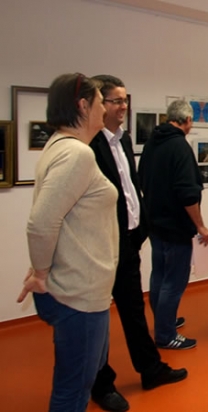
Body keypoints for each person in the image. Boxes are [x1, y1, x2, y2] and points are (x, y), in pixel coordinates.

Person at [17, 73, 118, 412]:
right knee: (73, 391)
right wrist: (40, 272)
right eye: (101, 102)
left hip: (78, 287)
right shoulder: (76, 154)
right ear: (83, 106)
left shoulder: (60, 147)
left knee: (76, 384)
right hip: (78, 292)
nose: (105, 108)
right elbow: (41, 223)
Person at [89, 75, 188, 412]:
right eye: (116, 101)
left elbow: (131, 186)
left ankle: (151, 369)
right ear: (99, 104)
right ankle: (101, 385)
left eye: (125, 100)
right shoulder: (90, 145)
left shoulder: (124, 139)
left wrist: (140, 226)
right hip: (102, 246)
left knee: (134, 312)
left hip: (128, 242)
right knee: (98, 321)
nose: (123, 107)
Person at [138, 99, 208, 350]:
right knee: (174, 282)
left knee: (159, 275)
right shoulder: (180, 147)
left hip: (154, 224)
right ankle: (166, 334)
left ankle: (164, 321)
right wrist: (200, 226)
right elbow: (188, 194)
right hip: (176, 228)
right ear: (187, 120)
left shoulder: (152, 143)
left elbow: (141, 179)